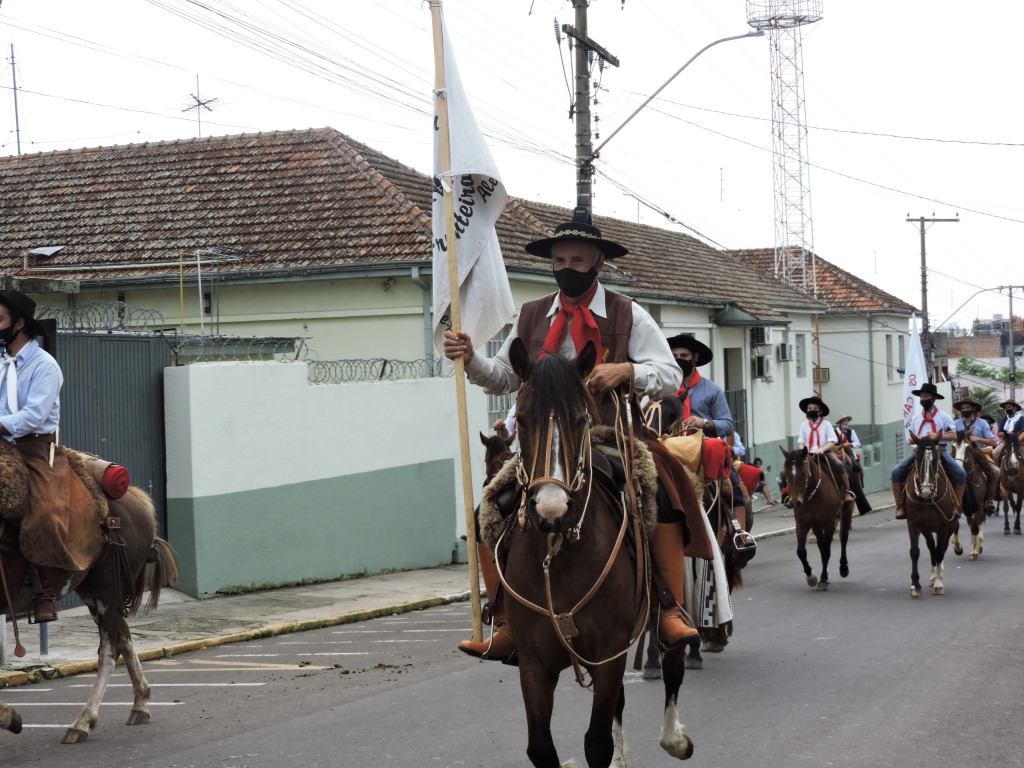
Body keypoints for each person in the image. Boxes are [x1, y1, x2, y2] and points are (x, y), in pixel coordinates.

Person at [443, 218, 710, 660]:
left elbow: (669, 374)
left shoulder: (628, 312)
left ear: (598, 263)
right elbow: (505, 377)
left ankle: (669, 609)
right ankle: (506, 621)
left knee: (661, 494)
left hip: (608, 434)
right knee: (487, 508)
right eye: (559, 260)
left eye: (577, 260)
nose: (567, 267)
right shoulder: (532, 314)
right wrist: (471, 359)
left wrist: (627, 371)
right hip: (543, 439)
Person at [0, 289, 69, 623]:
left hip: (36, 447)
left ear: (20, 323)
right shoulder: (0, 361)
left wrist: (0, 426)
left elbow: (34, 415)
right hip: (2, 443)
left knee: (43, 506)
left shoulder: (45, 366)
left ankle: (45, 590)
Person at [665, 333, 751, 535]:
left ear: (694, 357)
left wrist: (704, 422)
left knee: (734, 486)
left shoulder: (712, 390)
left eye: (684, 355)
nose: (679, 359)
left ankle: (741, 534)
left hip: (705, 450)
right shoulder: (664, 389)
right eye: (674, 355)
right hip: (672, 449)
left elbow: (728, 424)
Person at [890, 381, 967, 521]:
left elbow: (954, 435)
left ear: (934, 398)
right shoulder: (915, 418)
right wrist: (911, 440)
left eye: (926, 396)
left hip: (939, 450)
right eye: (921, 396)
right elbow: (911, 436)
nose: (923, 399)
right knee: (896, 471)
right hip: (919, 452)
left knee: (960, 473)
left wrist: (938, 436)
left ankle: (956, 505)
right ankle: (900, 506)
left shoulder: (944, 417)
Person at [797, 396, 857, 503]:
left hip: (824, 453)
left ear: (820, 411)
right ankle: (790, 495)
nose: (812, 410)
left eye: (814, 408)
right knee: (793, 467)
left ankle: (847, 492)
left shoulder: (826, 424)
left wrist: (822, 449)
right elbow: (801, 442)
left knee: (839, 464)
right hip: (808, 454)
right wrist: (803, 452)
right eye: (809, 408)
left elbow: (832, 441)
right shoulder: (803, 425)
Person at [951, 397, 999, 513]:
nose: (965, 410)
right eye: (963, 408)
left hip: (979, 452)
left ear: (973, 409)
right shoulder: (955, 424)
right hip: (960, 453)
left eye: (967, 407)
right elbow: (950, 439)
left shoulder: (982, 423)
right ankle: (949, 499)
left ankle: (989, 499)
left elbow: (993, 442)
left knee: (996, 471)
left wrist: (977, 438)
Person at [833, 415, 872, 515]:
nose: (846, 423)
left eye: (847, 421)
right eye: (844, 421)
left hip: (848, 452)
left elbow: (858, 443)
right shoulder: (835, 431)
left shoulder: (851, 432)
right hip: (836, 451)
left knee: (855, 466)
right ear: (840, 423)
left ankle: (857, 485)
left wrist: (849, 444)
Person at [992, 399, 1024, 463]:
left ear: (1014, 408)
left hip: (1019, 442)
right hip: (1006, 441)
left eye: (1009, 407)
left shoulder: (1021, 418)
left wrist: (1016, 441)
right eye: (1006, 408)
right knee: (994, 453)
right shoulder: (1003, 419)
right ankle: (998, 471)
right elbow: (999, 433)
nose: (1007, 409)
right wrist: (1002, 434)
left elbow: (1023, 432)